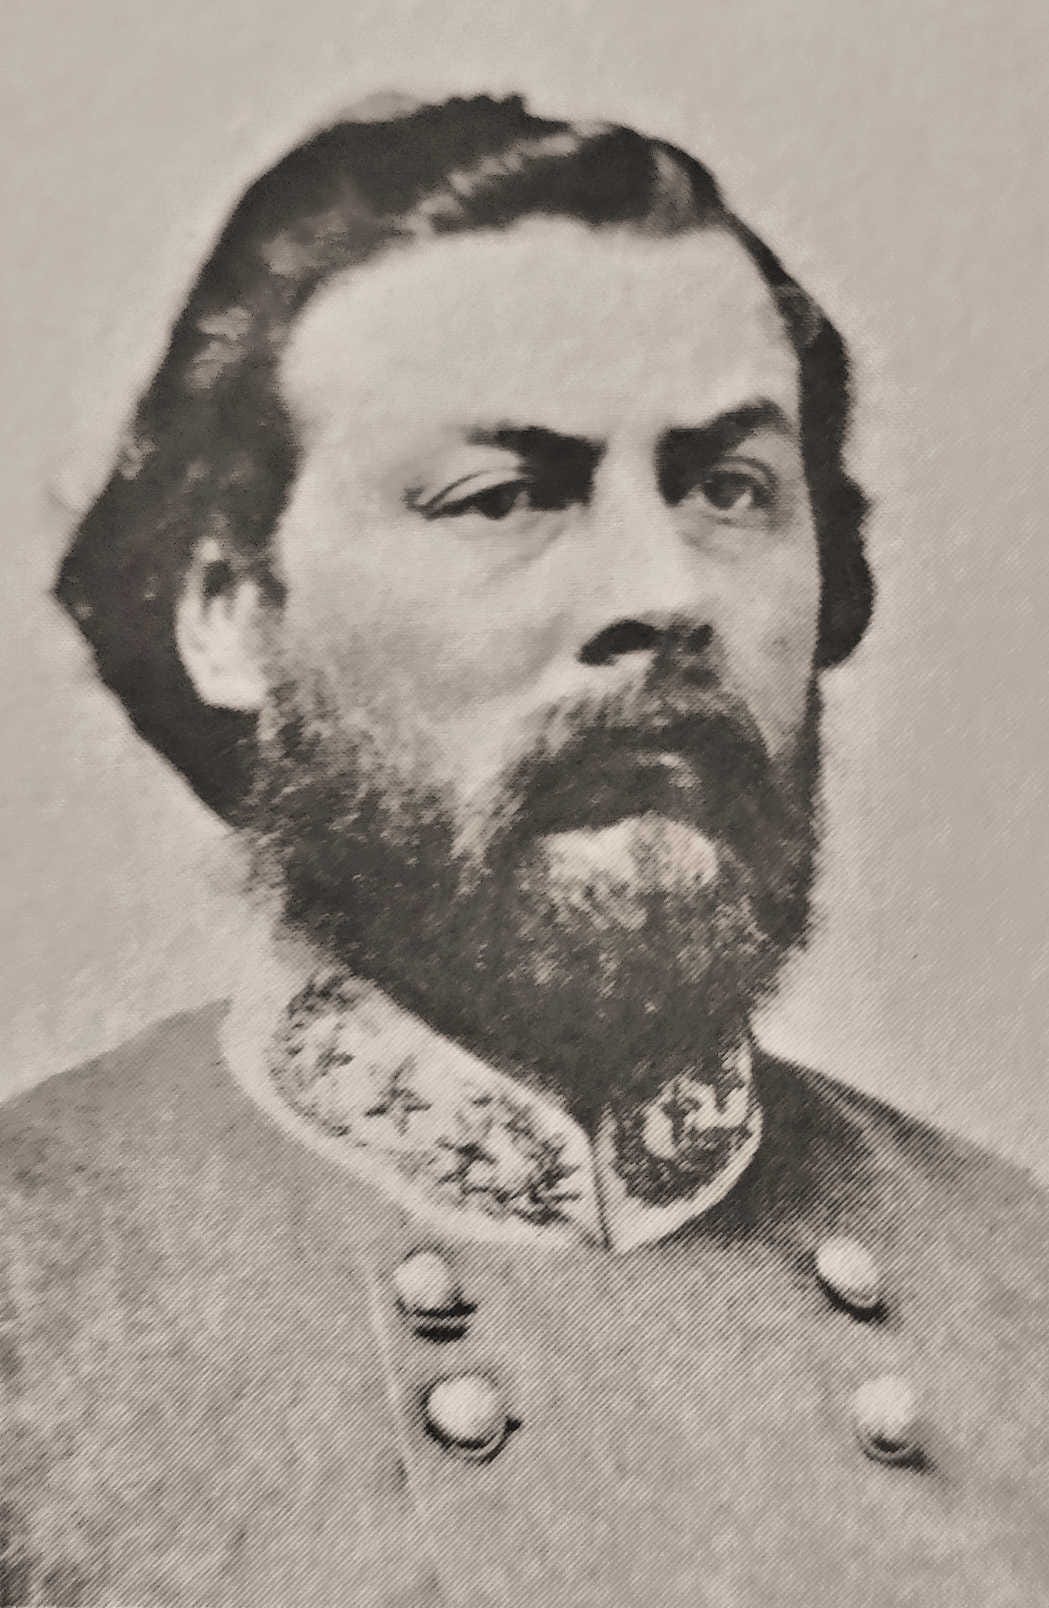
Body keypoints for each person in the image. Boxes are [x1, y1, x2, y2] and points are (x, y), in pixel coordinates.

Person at [2, 92, 1046, 1607]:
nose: (665, 590)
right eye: (501, 497)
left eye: (730, 489)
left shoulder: (1018, 1284)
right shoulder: (33, 1285)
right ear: (230, 613)